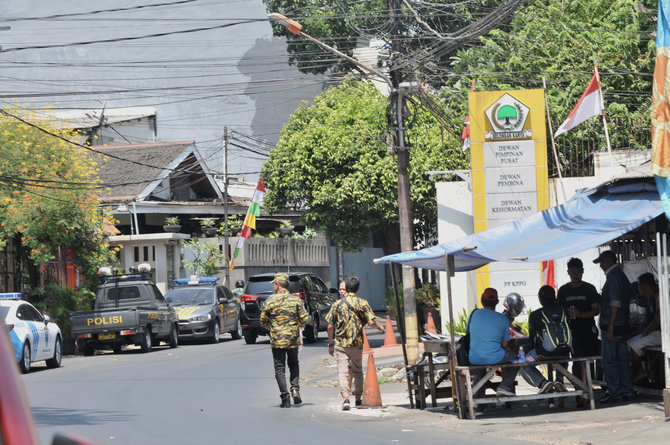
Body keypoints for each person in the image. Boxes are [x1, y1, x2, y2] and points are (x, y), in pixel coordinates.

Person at [325, 276, 385, 411]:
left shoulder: (337, 304)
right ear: (358, 289)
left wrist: (330, 343)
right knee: (357, 371)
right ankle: (358, 399)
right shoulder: (363, 303)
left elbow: (330, 326)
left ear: (346, 288)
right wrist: (379, 327)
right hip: (357, 343)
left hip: (341, 344)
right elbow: (370, 322)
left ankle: (345, 398)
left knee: (343, 371)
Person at [260, 273, 310, 408]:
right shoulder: (295, 300)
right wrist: (298, 323)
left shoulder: (270, 301)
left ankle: (285, 398)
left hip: (277, 340)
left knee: (279, 368)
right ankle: (295, 389)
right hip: (292, 339)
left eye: (274, 284)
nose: (273, 287)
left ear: (277, 285)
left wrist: (271, 328)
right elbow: (305, 319)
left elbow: (263, 321)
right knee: (293, 364)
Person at [593, 250, 633, 403]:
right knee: (622, 359)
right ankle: (626, 390)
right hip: (622, 324)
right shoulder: (622, 276)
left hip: (613, 325)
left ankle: (615, 392)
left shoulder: (613, 277)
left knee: (610, 360)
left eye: (602, 263)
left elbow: (615, 303)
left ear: (609, 261)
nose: (601, 266)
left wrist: (609, 327)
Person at [468, 288, 519, 397]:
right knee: (516, 360)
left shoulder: (474, 314)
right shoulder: (503, 319)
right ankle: (504, 386)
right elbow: (504, 345)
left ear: (482, 301)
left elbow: (469, 334)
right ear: (497, 302)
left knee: (479, 374)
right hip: (495, 357)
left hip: (473, 358)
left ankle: (478, 406)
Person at [520, 285, 571, 394]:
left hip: (544, 354)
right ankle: (559, 380)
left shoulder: (535, 315)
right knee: (563, 351)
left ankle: (543, 382)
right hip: (565, 353)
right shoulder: (564, 311)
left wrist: (533, 349)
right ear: (554, 297)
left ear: (540, 299)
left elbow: (532, 338)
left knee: (524, 362)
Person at [557, 257, 600, 385]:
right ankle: (579, 390)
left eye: (578, 272)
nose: (575, 275)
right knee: (577, 361)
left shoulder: (590, 289)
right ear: (568, 272)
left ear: (582, 271)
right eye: (572, 272)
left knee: (588, 360)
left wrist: (581, 314)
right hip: (571, 332)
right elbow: (558, 311)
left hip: (588, 331)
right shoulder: (563, 291)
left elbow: (596, 311)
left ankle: (589, 388)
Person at [628, 272, 661, 384]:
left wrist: (645, 332)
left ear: (645, 286)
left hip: (661, 334)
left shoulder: (658, 297)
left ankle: (637, 373)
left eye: (640, 286)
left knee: (633, 346)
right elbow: (648, 322)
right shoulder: (650, 299)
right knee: (628, 343)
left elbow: (657, 320)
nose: (639, 290)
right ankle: (641, 371)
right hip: (654, 333)